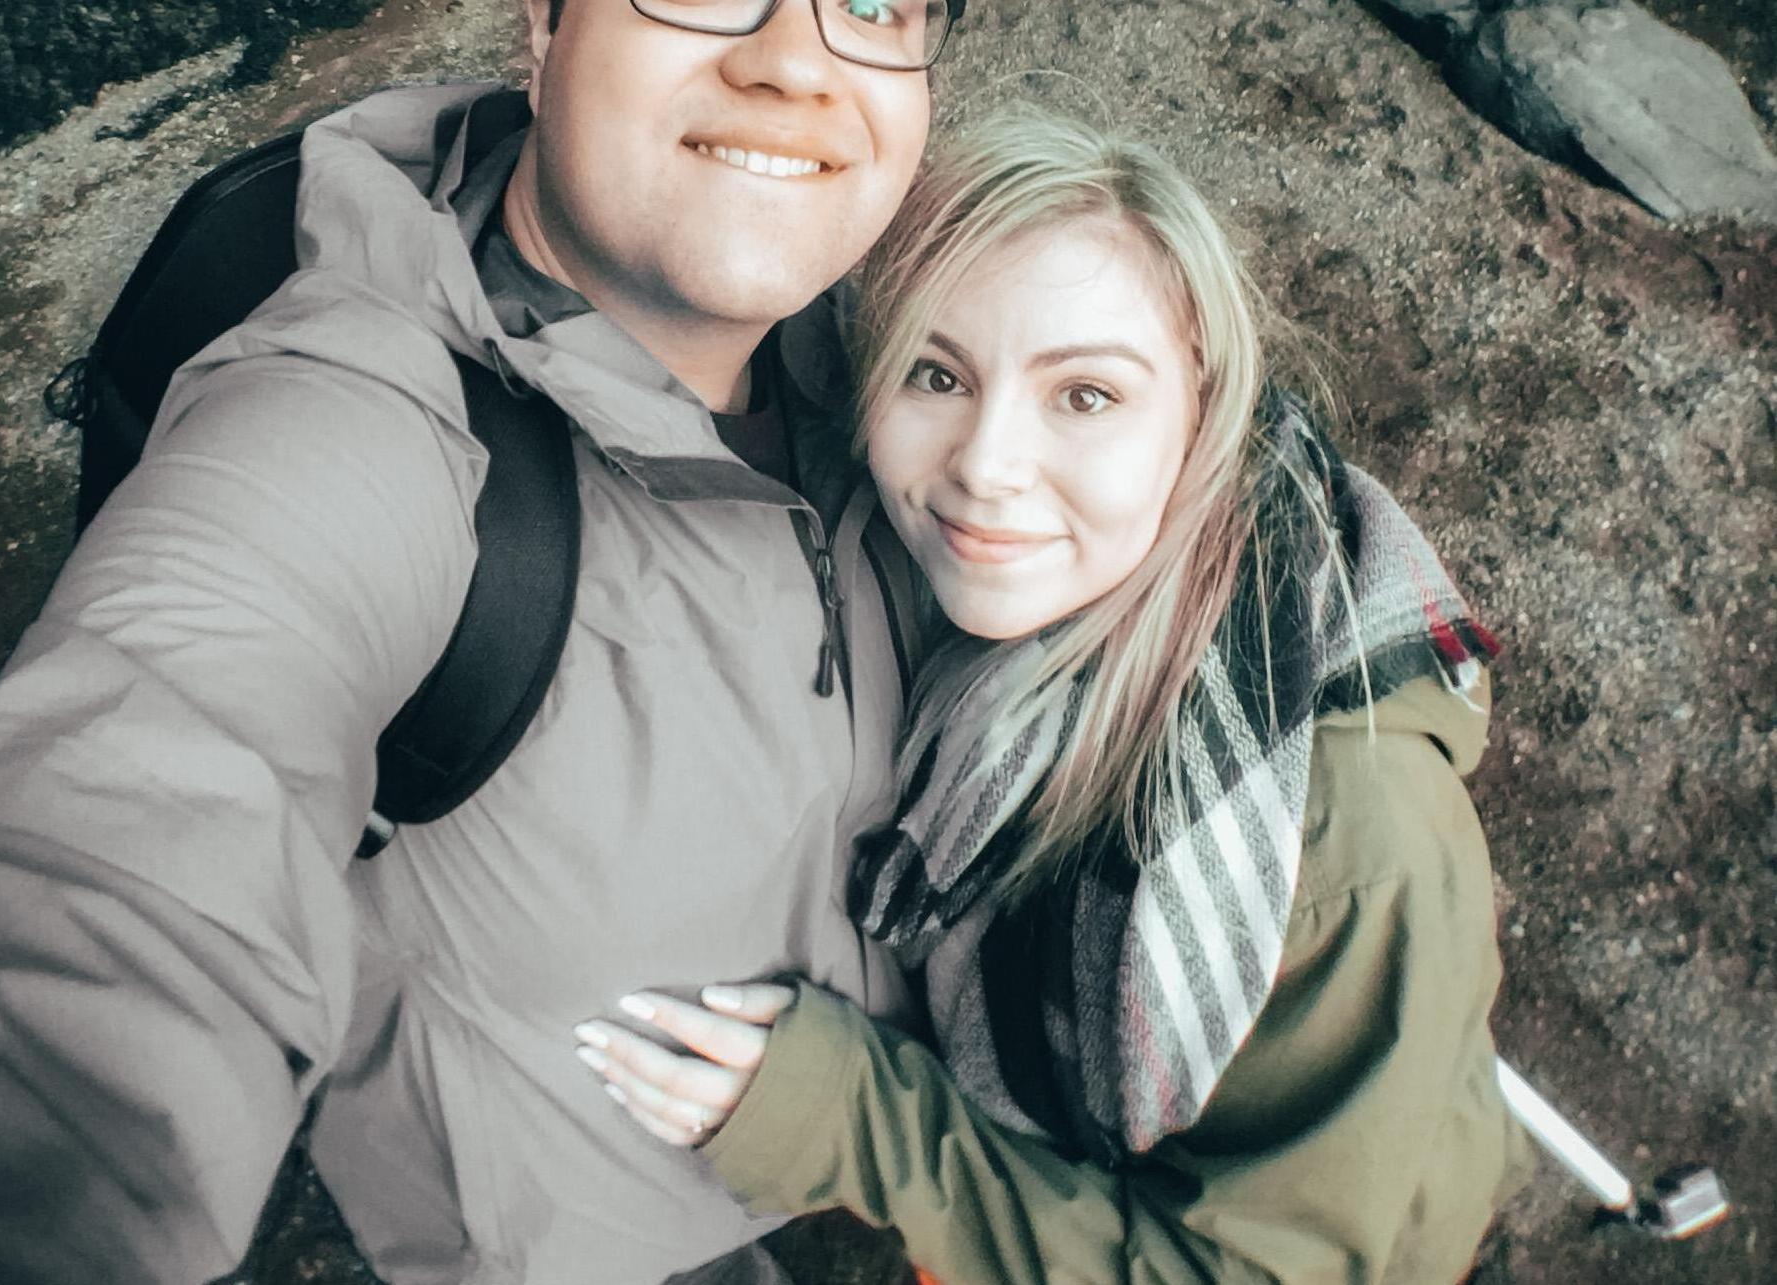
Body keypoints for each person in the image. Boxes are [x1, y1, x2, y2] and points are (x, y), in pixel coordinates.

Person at [0, 0, 963, 1285]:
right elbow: (121, 830)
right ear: (543, 24)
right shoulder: (361, 421)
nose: (799, 64)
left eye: (874, 0)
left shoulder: (887, 351)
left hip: (890, 1126)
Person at [574, 107, 1534, 1284]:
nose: (985, 463)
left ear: (1204, 409)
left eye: (1084, 395)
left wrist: (857, 1124)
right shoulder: (936, 564)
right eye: (936, 372)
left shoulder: (1345, 846)